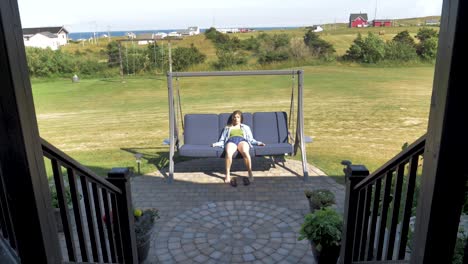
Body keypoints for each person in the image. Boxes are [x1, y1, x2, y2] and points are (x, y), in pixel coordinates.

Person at [212, 110, 265, 186]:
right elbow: (222, 140)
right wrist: (216, 144)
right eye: (234, 117)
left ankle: (250, 173)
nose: (236, 118)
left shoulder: (246, 127)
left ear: (240, 118)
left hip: (242, 140)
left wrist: (258, 143)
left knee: (245, 151)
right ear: (232, 118)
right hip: (231, 141)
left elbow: (251, 139)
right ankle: (227, 174)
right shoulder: (227, 128)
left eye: (238, 117)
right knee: (229, 153)